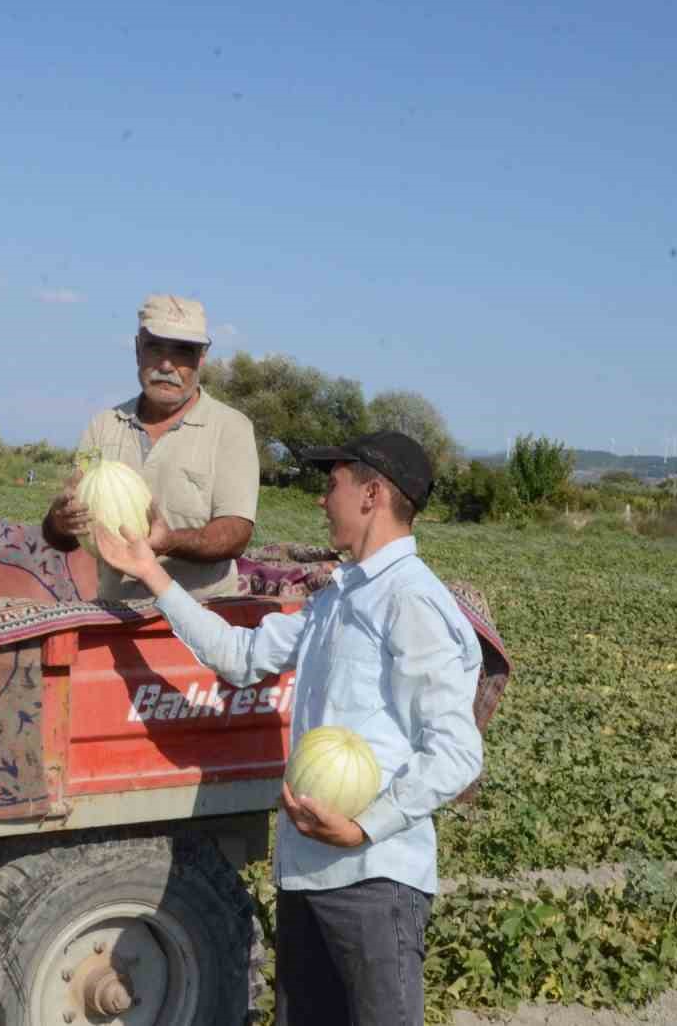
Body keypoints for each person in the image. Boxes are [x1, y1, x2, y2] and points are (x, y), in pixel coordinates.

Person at [89, 430, 482, 1023]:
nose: (322, 500)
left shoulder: (411, 600)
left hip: (373, 881)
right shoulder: (338, 597)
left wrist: (364, 828)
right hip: (306, 876)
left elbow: (456, 753)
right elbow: (240, 657)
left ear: (372, 494)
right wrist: (150, 571)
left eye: (333, 485)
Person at [42, 294, 259, 600]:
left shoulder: (231, 428)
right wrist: (59, 521)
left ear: (201, 357)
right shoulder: (103, 426)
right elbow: (63, 536)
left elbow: (236, 534)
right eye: (155, 347)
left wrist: (170, 541)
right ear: (137, 349)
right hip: (116, 613)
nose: (166, 365)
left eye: (182, 351)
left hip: (203, 616)